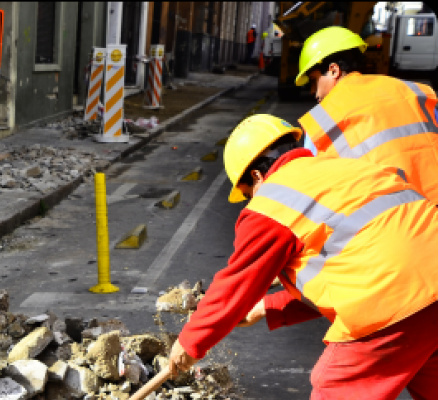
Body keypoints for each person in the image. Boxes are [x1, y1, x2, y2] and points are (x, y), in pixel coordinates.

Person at [165, 114, 438, 399]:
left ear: (257, 176)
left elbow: (236, 282)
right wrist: (266, 307)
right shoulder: (341, 168)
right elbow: (349, 270)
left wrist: (189, 343)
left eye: (247, 193)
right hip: (424, 287)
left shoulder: (272, 200)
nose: (251, 201)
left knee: (334, 386)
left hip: (396, 293)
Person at [294, 26, 438, 201]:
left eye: (314, 80)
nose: (313, 92)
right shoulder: (412, 92)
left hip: (381, 220)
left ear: (333, 70)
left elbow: (312, 190)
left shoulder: (324, 118)